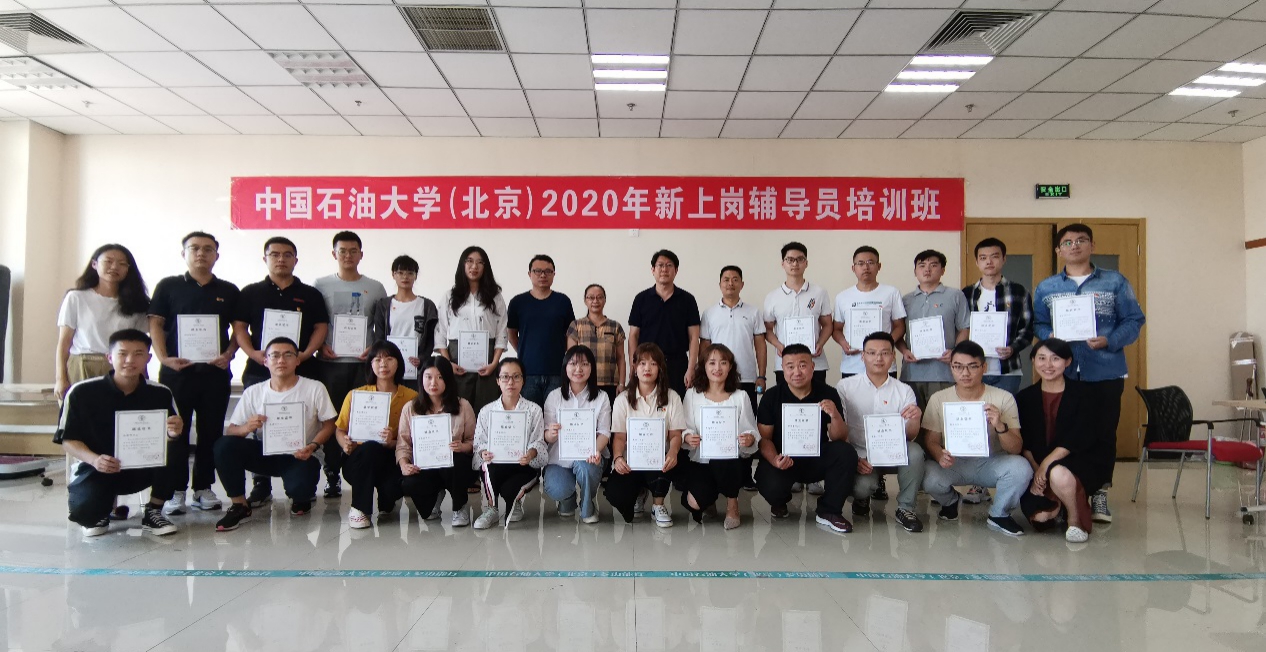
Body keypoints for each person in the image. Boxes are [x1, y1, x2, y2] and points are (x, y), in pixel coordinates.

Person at [1033, 223, 1145, 524]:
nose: (1074, 246)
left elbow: (1134, 320)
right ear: (1059, 250)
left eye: (1081, 240)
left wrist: (1110, 340)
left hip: (1105, 371)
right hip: (1063, 373)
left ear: (1092, 246)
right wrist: (1050, 335)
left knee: (1104, 434)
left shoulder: (1114, 282)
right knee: (1064, 435)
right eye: (1068, 242)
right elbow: (1038, 324)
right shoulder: (1047, 288)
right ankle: (1066, 493)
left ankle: (1099, 493)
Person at [232, 237, 330, 508]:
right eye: (274, 254)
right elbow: (239, 327)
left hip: (303, 367)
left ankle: (302, 466)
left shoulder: (309, 294)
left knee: (305, 419)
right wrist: (253, 353)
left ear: (295, 260)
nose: (281, 259)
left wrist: (305, 353)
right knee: (258, 423)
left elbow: (321, 327)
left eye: (287, 255)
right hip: (259, 369)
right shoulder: (251, 292)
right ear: (265, 258)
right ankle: (261, 483)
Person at [147, 231, 239, 516]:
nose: (201, 253)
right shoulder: (169, 286)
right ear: (184, 253)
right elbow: (155, 324)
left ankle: (203, 488)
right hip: (177, 374)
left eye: (208, 249)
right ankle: (175, 490)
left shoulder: (228, 290)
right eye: (195, 248)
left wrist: (229, 354)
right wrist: (164, 358)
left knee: (211, 432)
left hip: (215, 374)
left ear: (216, 256)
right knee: (176, 431)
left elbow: (239, 330)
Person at [57, 329, 182, 537]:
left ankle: (153, 511)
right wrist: (95, 460)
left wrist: (173, 433)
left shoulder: (160, 393)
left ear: (148, 358)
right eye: (122, 354)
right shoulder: (81, 392)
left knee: (177, 447)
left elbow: (168, 436)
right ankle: (101, 510)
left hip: (143, 467)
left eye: (138, 354)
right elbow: (68, 439)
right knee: (86, 513)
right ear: (109, 357)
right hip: (97, 468)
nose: (130, 360)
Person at [213, 337, 338, 532]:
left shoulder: (314, 388)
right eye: (275, 355)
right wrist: (247, 427)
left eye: (288, 355)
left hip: (301, 454)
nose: (281, 360)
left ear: (298, 360)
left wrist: (312, 446)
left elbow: (329, 425)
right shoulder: (253, 392)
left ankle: (302, 497)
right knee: (224, 445)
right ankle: (239, 505)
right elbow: (232, 430)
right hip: (265, 452)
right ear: (265, 361)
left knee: (300, 490)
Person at [921, 341, 1033, 537]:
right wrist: (939, 455)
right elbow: (931, 440)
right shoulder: (939, 398)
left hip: (991, 462)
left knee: (1021, 468)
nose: (965, 373)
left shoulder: (1003, 397)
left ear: (984, 367)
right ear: (951, 368)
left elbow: (1015, 448)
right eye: (958, 366)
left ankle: (999, 514)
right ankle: (950, 501)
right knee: (926, 473)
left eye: (972, 366)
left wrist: (1000, 425)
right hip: (955, 462)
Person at [1016, 338, 1114, 544]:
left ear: (1068, 362)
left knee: (1058, 474)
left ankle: (1075, 520)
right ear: (1033, 360)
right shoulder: (1024, 397)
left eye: (1055, 359)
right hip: (1038, 463)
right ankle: (1059, 505)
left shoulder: (1085, 394)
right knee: (1041, 519)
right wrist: (1037, 470)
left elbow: (1078, 437)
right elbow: (1024, 442)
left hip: (1076, 459)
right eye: (1041, 358)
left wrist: (1046, 466)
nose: (1048, 365)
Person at [314, 231, 388, 499]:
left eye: (353, 250)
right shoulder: (320, 285)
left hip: (363, 365)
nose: (347, 255)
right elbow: (316, 323)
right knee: (334, 419)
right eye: (342, 251)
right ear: (334, 254)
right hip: (331, 364)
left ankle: (362, 471)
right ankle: (332, 473)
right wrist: (320, 345)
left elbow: (383, 326)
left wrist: (375, 347)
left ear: (361, 254)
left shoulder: (375, 287)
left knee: (365, 418)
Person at [754, 344, 857, 534]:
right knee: (770, 482)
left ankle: (829, 510)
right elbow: (764, 439)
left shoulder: (828, 393)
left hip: (815, 458)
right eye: (790, 366)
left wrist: (835, 415)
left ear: (812, 367)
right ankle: (779, 502)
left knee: (845, 452)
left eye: (802, 365)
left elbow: (840, 437)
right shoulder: (771, 397)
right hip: (784, 460)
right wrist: (775, 460)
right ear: (782, 368)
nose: (797, 372)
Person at [835, 333, 925, 533]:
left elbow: (909, 436)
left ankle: (906, 508)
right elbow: (840, 430)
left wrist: (915, 419)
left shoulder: (904, 390)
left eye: (884, 353)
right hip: (861, 453)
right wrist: (854, 458)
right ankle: (861, 498)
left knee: (915, 451)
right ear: (862, 356)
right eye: (872, 353)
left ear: (893, 356)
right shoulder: (845, 387)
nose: (878, 358)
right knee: (861, 488)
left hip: (893, 452)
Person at [334, 341, 418, 529]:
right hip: (360, 459)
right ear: (370, 364)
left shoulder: (411, 397)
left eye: (389, 358)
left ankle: (387, 498)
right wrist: (344, 442)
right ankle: (359, 509)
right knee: (371, 447)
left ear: (399, 363)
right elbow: (340, 429)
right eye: (377, 359)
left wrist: (392, 442)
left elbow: (415, 440)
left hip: (392, 459)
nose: (383, 364)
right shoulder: (356, 395)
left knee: (389, 499)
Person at [604, 343, 686, 527]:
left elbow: (675, 435)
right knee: (616, 494)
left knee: (667, 463)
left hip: (660, 460)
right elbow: (619, 437)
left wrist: (673, 453)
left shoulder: (672, 397)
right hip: (631, 462)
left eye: (653, 363)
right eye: (642, 363)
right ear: (634, 368)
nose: (647, 368)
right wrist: (618, 458)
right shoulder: (622, 399)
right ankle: (640, 492)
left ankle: (658, 505)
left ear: (660, 368)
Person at [55, 244, 150, 400]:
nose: (114, 267)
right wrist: (60, 378)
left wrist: (143, 376)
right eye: (108, 261)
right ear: (94, 264)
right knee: (82, 412)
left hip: (121, 368)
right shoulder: (76, 298)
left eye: (122, 263)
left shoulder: (137, 303)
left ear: (128, 269)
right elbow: (64, 342)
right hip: (83, 364)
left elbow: (140, 345)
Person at [680, 344, 759, 529]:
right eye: (712, 363)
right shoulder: (692, 395)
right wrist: (688, 437)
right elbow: (685, 427)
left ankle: (732, 504)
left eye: (723, 363)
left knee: (727, 461)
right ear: (704, 366)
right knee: (694, 503)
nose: (717, 368)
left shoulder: (740, 396)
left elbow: (750, 429)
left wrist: (749, 439)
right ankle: (710, 500)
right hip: (701, 461)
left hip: (730, 462)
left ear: (730, 367)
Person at [397, 356, 477, 527]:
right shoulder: (410, 408)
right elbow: (403, 444)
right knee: (410, 485)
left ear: (448, 380)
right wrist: (404, 464)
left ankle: (459, 506)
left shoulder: (463, 406)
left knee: (458, 462)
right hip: (425, 466)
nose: (433, 383)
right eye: (429, 377)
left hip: (454, 466)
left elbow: (474, 442)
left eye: (440, 377)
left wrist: (463, 447)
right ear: (422, 379)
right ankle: (435, 495)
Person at [471, 358, 547, 529]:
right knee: (486, 465)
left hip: (523, 465)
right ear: (498, 381)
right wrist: (483, 452)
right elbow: (479, 443)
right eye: (505, 377)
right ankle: (491, 508)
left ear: (523, 380)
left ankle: (516, 501)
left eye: (516, 377)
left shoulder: (534, 410)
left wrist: (530, 454)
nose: (510, 382)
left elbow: (538, 442)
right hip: (496, 464)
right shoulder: (487, 411)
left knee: (509, 490)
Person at [542, 345, 611, 524]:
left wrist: (595, 450)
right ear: (565, 367)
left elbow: (604, 432)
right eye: (573, 363)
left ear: (592, 368)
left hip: (589, 455)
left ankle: (588, 505)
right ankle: (567, 499)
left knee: (587, 467)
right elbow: (546, 435)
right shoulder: (554, 396)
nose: (578, 369)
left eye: (584, 364)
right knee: (557, 487)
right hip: (559, 458)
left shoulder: (602, 397)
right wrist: (551, 434)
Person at [435, 246, 507, 412]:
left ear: (485, 267)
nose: (474, 266)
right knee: (459, 407)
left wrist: (494, 363)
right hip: (456, 360)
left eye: (480, 262)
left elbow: (501, 331)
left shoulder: (495, 296)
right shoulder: (449, 296)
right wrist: (448, 363)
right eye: (469, 261)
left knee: (486, 406)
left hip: (487, 359)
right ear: (462, 264)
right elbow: (440, 332)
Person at [896, 250, 970, 411]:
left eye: (933, 265)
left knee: (942, 419)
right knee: (913, 419)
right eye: (922, 265)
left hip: (944, 372)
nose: (927, 270)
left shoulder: (955, 295)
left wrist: (955, 352)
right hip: (912, 373)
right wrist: (904, 351)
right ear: (915, 271)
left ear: (942, 270)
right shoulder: (906, 300)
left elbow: (964, 327)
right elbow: (898, 331)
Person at [965, 238, 1035, 394]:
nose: (989, 262)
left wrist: (1012, 348)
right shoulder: (967, 294)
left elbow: (1028, 329)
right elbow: (962, 329)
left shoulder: (1019, 291)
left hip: (1008, 370)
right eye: (983, 258)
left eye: (994, 256)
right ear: (977, 262)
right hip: (973, 370)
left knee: (1005, 410)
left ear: (1004, 259)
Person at [627, 249, 700, 397]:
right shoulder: (641, 299)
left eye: (669, 265)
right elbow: (633, 336)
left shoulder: (687, 300)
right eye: (660, 265)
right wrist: (634, 365)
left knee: (677, 404)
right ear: (653, 270)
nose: (664, 269)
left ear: (676, 270)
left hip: (677, 364)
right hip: (647, 364)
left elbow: (694, 337)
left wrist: (691, 367)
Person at [507, 255, 576, 406]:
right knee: (529, 415)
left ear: (554, 274)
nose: (543, 275)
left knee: (556, 416)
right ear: (529, 274)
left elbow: (571, 334)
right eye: (537, 271)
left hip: (557, 372)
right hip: (527, 372)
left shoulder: (563, 301)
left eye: (548, 271)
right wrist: (525, 350)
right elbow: (511, 333)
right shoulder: (518, 302)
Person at [763, 242, 832, 387]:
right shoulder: (772, 297)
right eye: (790, 260)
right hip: (785, 364)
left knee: (817, 400)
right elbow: (767, 329)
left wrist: (820, 343)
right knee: (786, 400)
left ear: (806, 263)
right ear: (783, 264)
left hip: (815, 363)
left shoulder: (819, 292)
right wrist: (778, 345)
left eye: (800, 259)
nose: (795, 263)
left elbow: (827, 325)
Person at [832, 246, 906, 380]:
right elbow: (836, 329)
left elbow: (900, 326)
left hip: (884, 364)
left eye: (870, 262)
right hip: (852, 365)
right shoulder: (842, 297)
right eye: (860, 263)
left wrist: (885, 344)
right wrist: (843, 343)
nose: (866, 267)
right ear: (853, 268)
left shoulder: (891, 293)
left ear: (879, 266)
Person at [700, 265, 767, 409]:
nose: (730, 283)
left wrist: (761, 376)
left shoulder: (753, 312)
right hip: (717, 377)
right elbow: (704, 346)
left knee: (747, 418)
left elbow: (760, 345)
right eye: (726, 280)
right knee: (720, 417)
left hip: (746, 377)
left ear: (742, 284)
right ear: (720, 284)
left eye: (735, 280)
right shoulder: (709, 313)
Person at [368, 254, 439, 389]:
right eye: (400, 273)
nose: (405, 277)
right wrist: (384, 359)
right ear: (393, 275)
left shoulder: (426, 305)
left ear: (415, 276)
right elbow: (379, 337)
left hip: (416, 368)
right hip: (389, 368)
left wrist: (422, 359)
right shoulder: (384, 305)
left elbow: (431, 338)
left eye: (410, 273)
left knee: (415, 400)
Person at [566, 283, 627, 403]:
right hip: (583, 383)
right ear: (585, 301)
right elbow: (570, 359)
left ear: (605, 300)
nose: (595, 301)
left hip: (610, 384)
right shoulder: (576, 325)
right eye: (591, 297)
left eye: (599, 297)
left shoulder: (615, 327)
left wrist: (621, 383)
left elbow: (621, 358)